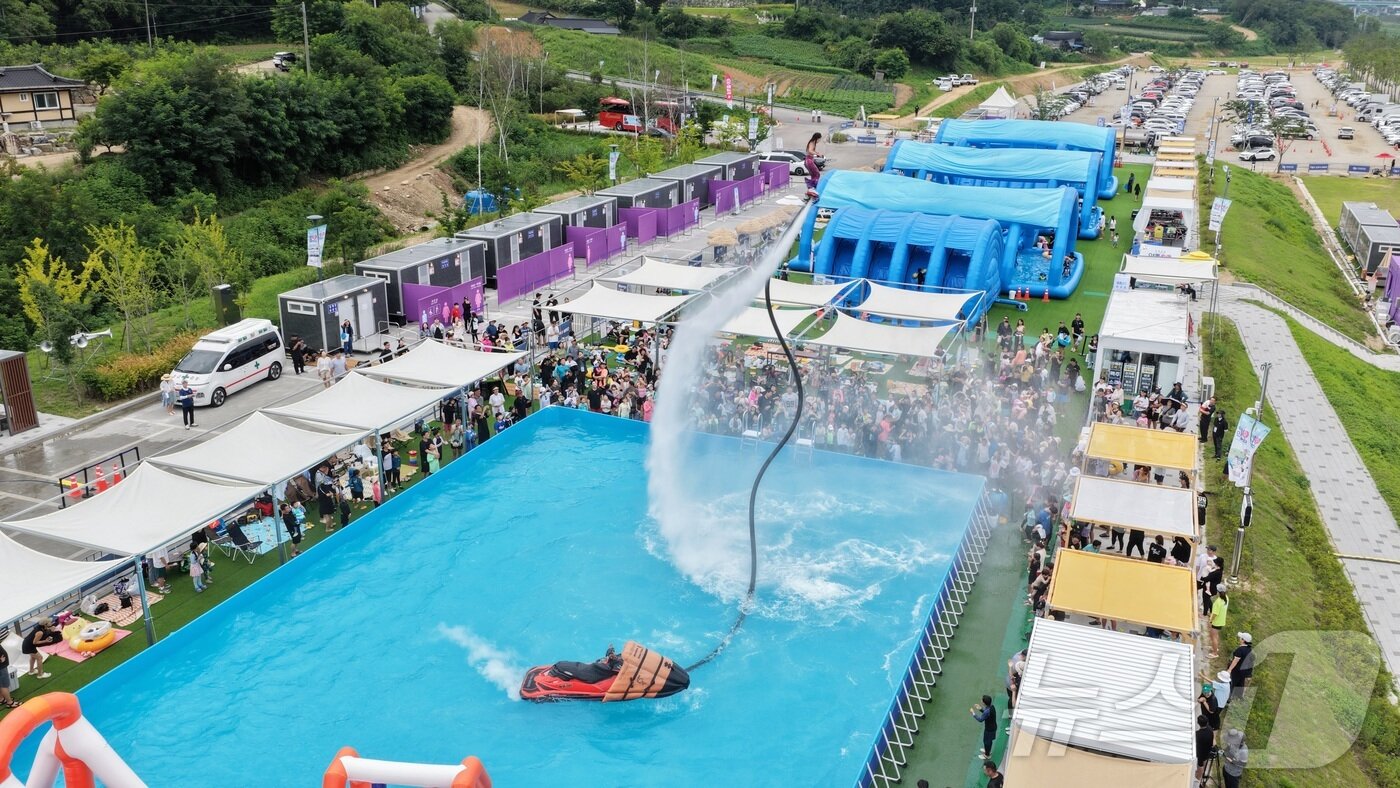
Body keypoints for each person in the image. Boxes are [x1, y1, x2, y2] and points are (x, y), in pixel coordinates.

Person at [1227, 632, 1254, 698]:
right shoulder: (1250, 650)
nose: (1239, 638)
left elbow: (1235, 661)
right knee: (1240, 684)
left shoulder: (1240, 650)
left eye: (1240, 638)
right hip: (1244, 671)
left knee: (1232, 683)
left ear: (1243, 640)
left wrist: (1229, 670)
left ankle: (1228, 698)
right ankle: (1237, 697)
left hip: (1237, 671)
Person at [971, 694, 997, 758]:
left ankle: (987, 755)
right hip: (993, 727)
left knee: (986, 742)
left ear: (984, 702)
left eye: (982, 700)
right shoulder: (991, 707)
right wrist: (980, 709)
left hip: (989, 729)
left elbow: (980, 719)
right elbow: (986, 714)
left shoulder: (987, 711)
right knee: (989, 741)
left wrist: (973, 713)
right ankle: (987, 751)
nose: (981, 701)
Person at [1195, 714, 1216, 783]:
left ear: (1198, 723)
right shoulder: (1209, 728)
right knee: (1204, 763)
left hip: (1201, 753)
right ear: (1207, 722)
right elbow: (1213, 741)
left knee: (1200, 766)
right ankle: (1199, 773)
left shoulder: (1198, 734)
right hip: (1207, 750)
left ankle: (1197, 780)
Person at [1209, 589, 1229, 657]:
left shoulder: (1218, 602)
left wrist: (1211, 620)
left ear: (1218, 592)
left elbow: (1215, 614)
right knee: (1216, 635)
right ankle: (1215, 648)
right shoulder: (1226, 598)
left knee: (1213, 637)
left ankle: (1215, 653)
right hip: (1221, 621)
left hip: (1216, 622)